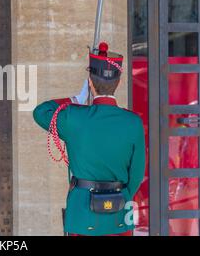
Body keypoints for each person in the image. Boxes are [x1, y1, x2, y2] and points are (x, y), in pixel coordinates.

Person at [33, 42, 146, 236]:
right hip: (118, 216)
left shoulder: (74, 118)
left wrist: (75, 99)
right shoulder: (132, 122)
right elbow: (136, 174)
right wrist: (121, 197)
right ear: (118, 82)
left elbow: (40, 112)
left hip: (82, 216)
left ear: (90, 83)